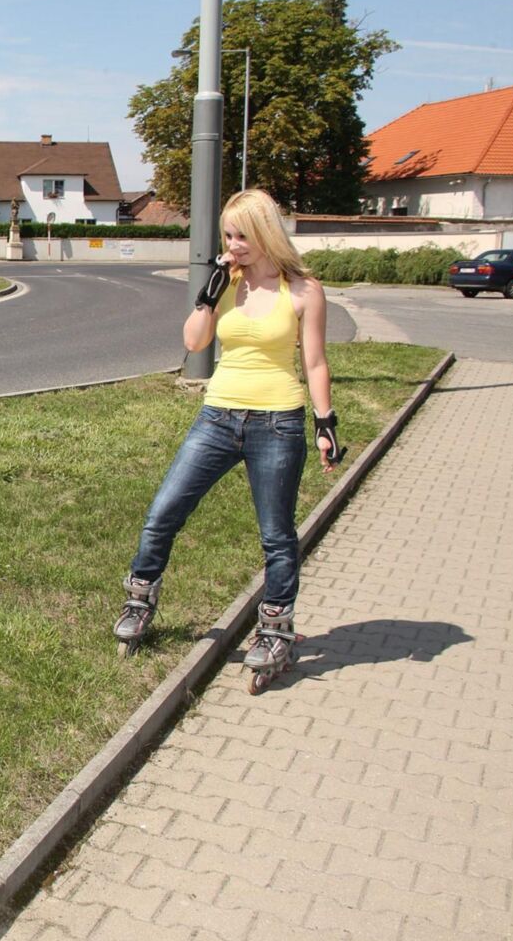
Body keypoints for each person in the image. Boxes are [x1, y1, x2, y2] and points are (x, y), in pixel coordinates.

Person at [113, 189, 347, 670]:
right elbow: (194, 342)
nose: (233, 243)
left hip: (278, 423)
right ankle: (139, 601)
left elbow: (316, 362)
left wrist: (325, 423)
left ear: (265, 234)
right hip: (217, 417)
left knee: (277, 535)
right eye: (228, 234)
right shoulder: (227, 283)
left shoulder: (303, 291)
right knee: (163, 512)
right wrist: (212, 289)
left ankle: (275, 627)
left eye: (242, 235)